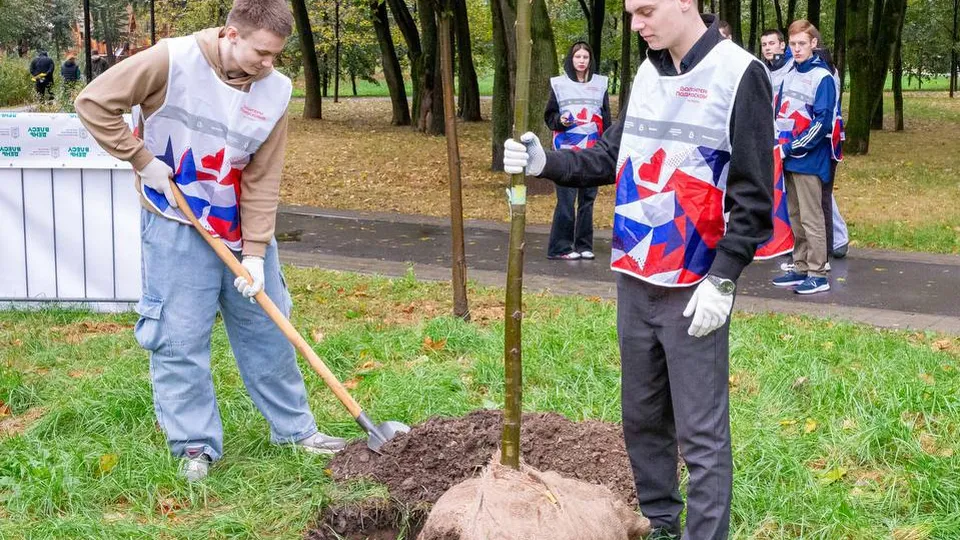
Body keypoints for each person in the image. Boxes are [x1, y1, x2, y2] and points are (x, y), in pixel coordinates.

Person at [504, 3, 774, 537]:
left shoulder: (741, 74)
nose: (635, 25)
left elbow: (755, 196)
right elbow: (608, 157)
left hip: (694, 286)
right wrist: (545, 164)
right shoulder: (649, 73)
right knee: (643, 417)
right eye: (630, 13)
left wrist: (723, 276)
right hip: (634, 274)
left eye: (645, 10)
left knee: (701, 432)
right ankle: (660, 523)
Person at [75, 0, 346, 483]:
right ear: (230, 34)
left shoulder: (276, 91)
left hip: (238, 227)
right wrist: (141, 159)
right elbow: (94, 103)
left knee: (271, 330)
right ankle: (194, 445)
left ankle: (298, 431)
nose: (269, 64)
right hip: (176, 222)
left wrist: (258, 252)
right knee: (179, 338)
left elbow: (263, 178)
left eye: (276, 55)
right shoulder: (170, 60)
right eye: (261, 52)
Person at [771, 20, 836, 294]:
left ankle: (818, 272)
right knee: (795, 216)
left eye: (802, 44)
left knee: (812, 217)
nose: (797, 49)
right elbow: (781, 114)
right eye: (793, 44)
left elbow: (822, 123)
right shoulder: (789, 75)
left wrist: (792, 147)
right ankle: (800, 266)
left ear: (813, 45)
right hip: (788, 156)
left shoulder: (823, 78)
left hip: (809, 158)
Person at [543, 41, 611, 260]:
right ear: (571, 60)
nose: (581, 61)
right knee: (566, 200)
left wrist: (608, 148)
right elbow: (550, 118)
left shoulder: (601, 84)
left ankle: (583, 245)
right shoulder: (559, 84)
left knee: (587, 200)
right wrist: (560, 121)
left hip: (593, 152)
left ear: (590, 60)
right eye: (577, 57)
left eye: (585, 57)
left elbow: (606, 118)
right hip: (566, 151)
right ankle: (560, 247)